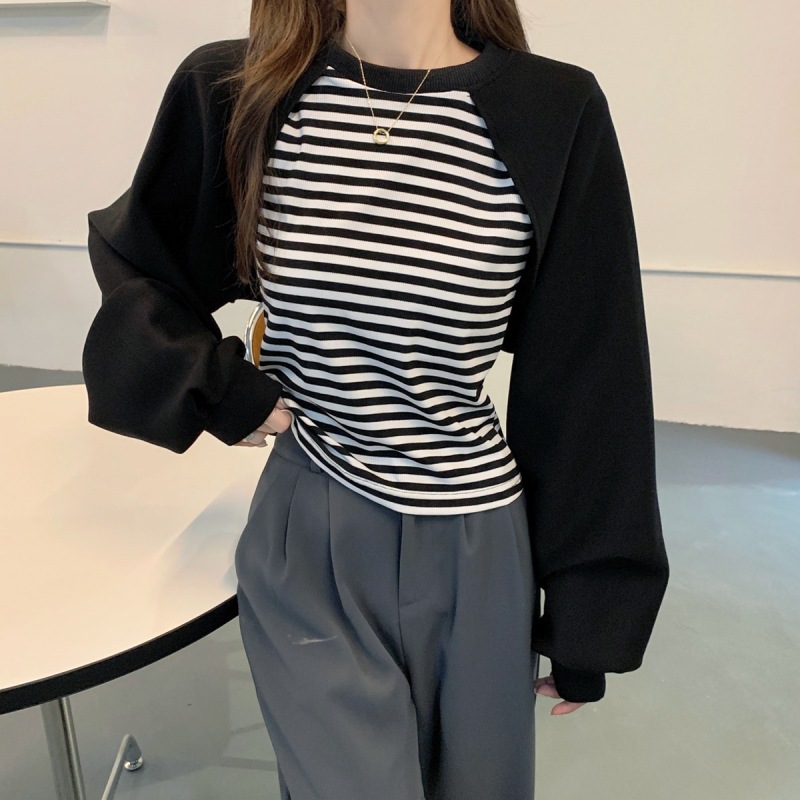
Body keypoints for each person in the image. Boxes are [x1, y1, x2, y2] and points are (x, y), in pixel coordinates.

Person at [81, 1, 670, 798]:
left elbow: (591, 367)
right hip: (312, 529)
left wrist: (591, 606)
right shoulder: (241, 90)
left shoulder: (553, 109)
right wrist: (213, 386)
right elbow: (138, 261)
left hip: (480, 541)